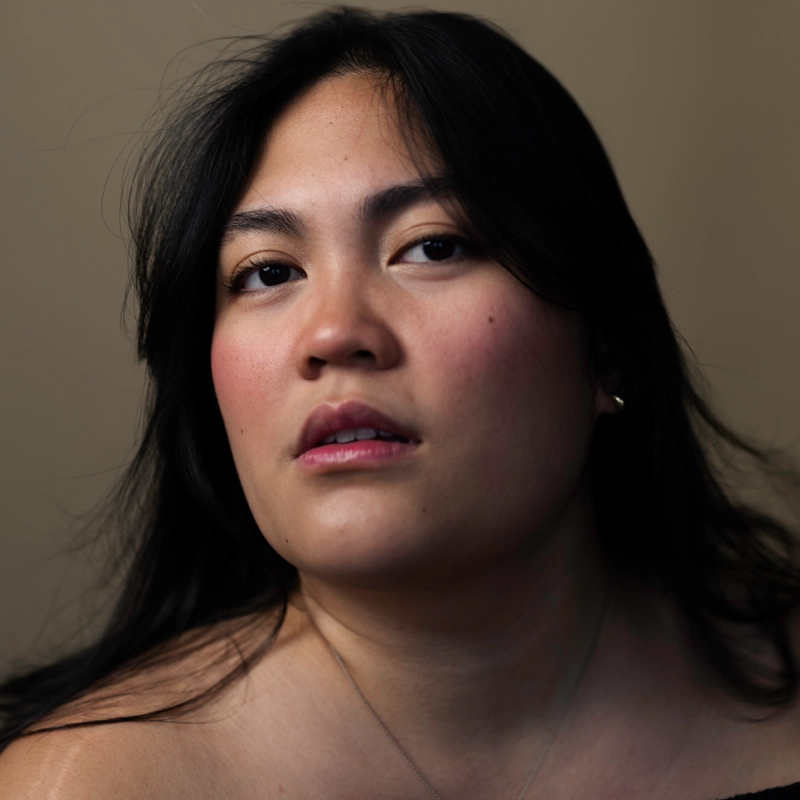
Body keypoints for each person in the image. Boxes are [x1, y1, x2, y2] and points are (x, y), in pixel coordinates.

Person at [1, 6, 799, 798]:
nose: (335, 333)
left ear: (608, 348)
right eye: (268, 272)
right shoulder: (87, 785)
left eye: (433, 246)